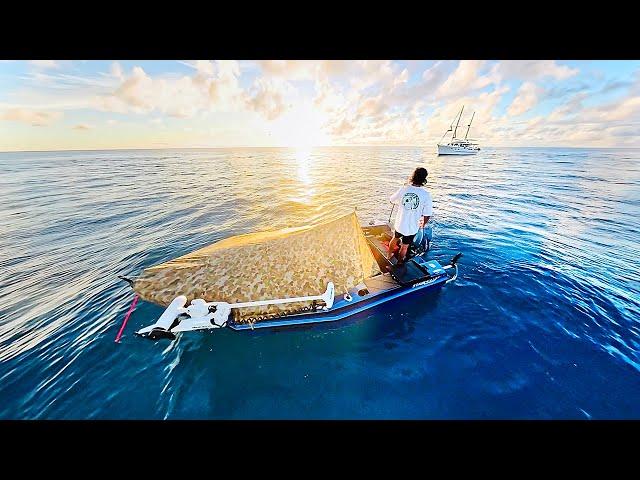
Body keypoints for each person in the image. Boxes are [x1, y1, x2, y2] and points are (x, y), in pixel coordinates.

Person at [388, 167, 432, 263]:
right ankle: (399, 262)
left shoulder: (404, 188)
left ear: (413, 176)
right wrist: (423, 224)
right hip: (411, 227)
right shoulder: (426, 195)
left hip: (400, 224)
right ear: (424, 179)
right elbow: (427, 214)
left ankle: (389, 255)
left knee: (394, 238)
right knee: (405, 246)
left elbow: (391, 200)